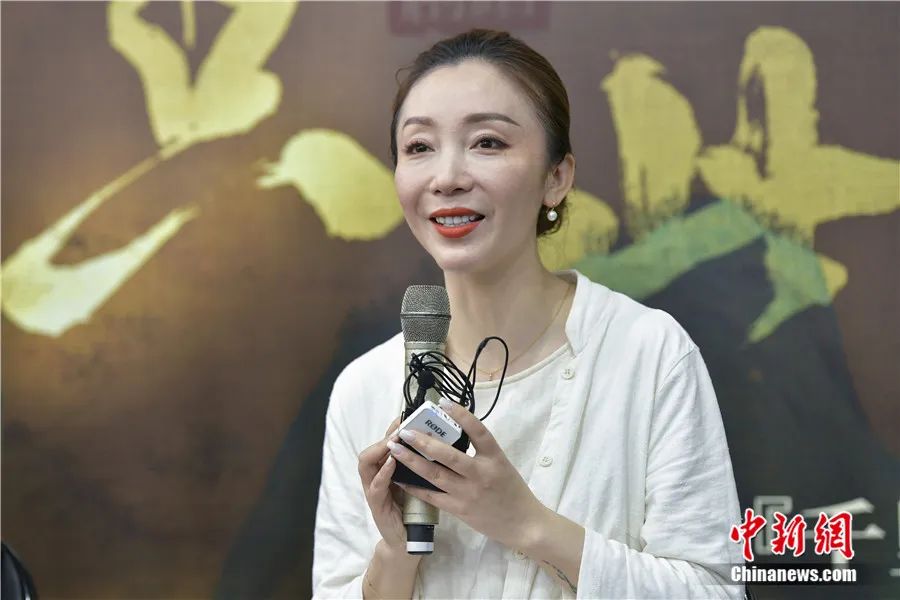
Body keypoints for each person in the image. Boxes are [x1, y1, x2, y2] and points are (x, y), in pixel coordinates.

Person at [312, 29, 743, 599]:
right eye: (419, 147)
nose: (447, 177)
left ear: (555, 178)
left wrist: (524, 523)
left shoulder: (648, 353)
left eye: (487, 142)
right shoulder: (365, 387)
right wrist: (394, 554)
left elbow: (715, 590)